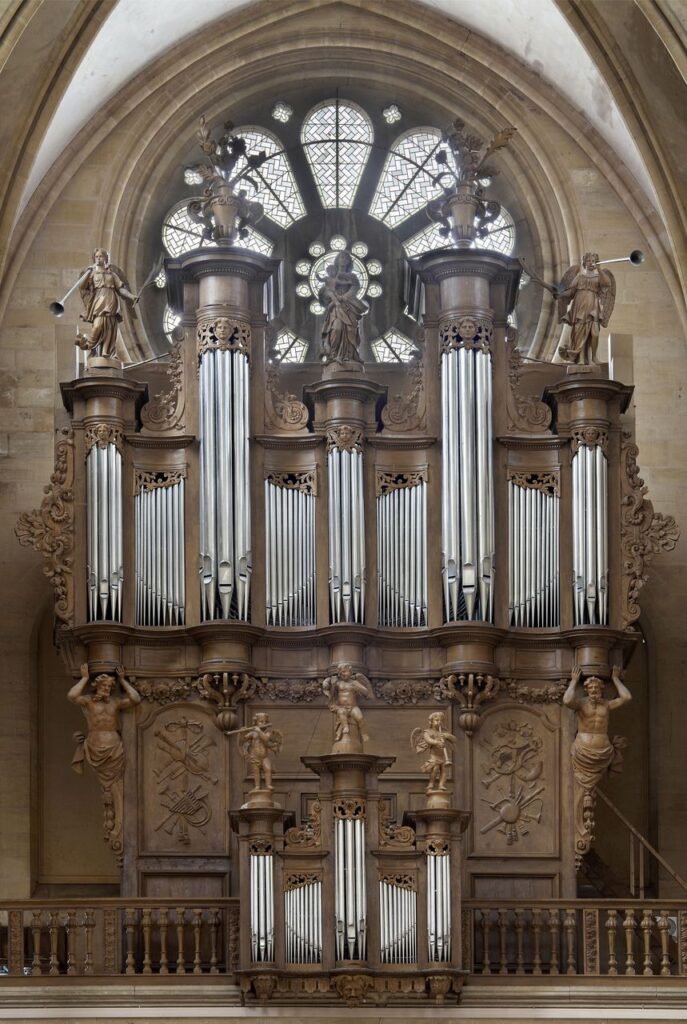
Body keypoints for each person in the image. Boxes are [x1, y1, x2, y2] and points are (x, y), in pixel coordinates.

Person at [68, 663, 141, 849]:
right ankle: (116, 827)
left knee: (118, 786)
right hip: (95, 747)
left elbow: (135, 698)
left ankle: (120, 828)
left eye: (109, 687)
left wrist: (123, 681)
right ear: (97, 686)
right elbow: (72, 696)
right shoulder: (88, 701)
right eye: (104, 686)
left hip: (114, 748)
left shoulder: (115, 703)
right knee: (107, 788)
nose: (107, 689)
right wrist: (84, 678)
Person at [563, 664, 631, 853]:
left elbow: (626, 697)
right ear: (586, 690)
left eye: (597, 688)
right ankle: (580, 828)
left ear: (601, 690)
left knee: (588, 791)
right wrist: (574, 680)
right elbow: (567, 700)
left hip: (601, 752)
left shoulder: (606, 705)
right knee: (581, 792)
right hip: (583, 751)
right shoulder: (581, 704)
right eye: (591, 688)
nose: (593, 690)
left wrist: (615, 678)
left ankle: (584, 827)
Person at [76, 247, 138, 359]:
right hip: (98, 301)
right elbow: (82, 286)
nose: (98, 259)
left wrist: (131, 296)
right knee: (98, 325)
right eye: (96, 257)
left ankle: (107, 352)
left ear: (105, 258)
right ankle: (87, 344)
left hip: (111, 300)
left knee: (110, 326)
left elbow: (120, 289)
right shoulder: (92, 274)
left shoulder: (112, 275)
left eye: (101, 256)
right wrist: (88, 272)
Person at [557, 252, 615, 365]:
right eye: (588, 260)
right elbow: (570, 291)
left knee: (595, 333)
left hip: (593, 308)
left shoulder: (599, 277)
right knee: (579, 333)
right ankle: (581, 359)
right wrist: (561, 294)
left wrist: (600, 269)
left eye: (593, 261)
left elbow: (607, 284)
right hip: (579, 306)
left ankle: (594, 357)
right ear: (584, 262)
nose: (591, 263)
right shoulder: (579, 277)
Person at [319, 251, 368, 365]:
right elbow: (324, 292)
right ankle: (333, 355)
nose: (344, 260)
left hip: (349, 306)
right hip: (336, 308)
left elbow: (355, 287)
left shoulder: (352, 276)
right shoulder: (331, 276)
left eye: (346, 258)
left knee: (350, 330)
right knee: (337, 328)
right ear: (337, 260)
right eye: (342, 257)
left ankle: (350, 356)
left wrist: (343, 297)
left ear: (349, 262)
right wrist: (331, 295)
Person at [322, 663, 374, 749]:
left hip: (353, 706)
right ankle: (345, 728)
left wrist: (359, 688)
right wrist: (326, 683)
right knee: (342, 713)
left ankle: (364, 733)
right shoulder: (338, 682)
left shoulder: (354, 683)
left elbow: (366, 691)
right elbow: (328, 682)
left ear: (350, 672)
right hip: (341, 707)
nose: (342, 674)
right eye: (340, 672)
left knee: (360, 718)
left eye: (345, 672)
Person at [411, 712, 457, 792]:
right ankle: (431, 783)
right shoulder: (427, 732)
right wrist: (436, 742)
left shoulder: (443, 731)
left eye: (441, 720)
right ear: (431, 721)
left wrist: (447, 736)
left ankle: (441, 785)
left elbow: (454, 739)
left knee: (444, 770)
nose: (439, 722)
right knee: (435, 769)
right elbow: (428, 740)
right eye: (437, 720)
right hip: (434, 756)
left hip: (443, 755)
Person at [237, 712, 282, 791]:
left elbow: (265, 739)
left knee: (268, 769)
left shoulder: (267, 733)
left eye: (265, 722)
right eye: (261, 721)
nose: (263, 723)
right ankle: (257, 786)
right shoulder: (253, 733)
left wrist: (259, 731)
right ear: (256, 723)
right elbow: (243, 739)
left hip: (264, 757)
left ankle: (268, 785)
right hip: (254, 756)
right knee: (256, 771)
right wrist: (242, 733)